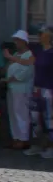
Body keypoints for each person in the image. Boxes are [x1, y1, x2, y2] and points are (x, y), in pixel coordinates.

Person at [8, 30, 36, 150]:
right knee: (13, 114)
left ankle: (23, 139)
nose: (16, 43)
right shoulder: (16, 55)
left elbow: (27, 72)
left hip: (22, 89)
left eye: (18, 40)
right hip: (12, 89)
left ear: (24, 42)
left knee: (22, 114)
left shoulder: (29, 55)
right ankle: (16, 138)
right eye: (15, 40)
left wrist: (11, 79)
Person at [34, 28, 53, 158]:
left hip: (49, 89)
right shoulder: (40, 52)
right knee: (37, 118)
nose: (40, 37)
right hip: (38, 88)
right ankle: (41, 145)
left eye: (43, 34)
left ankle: (51, 147)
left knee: (49, 119)